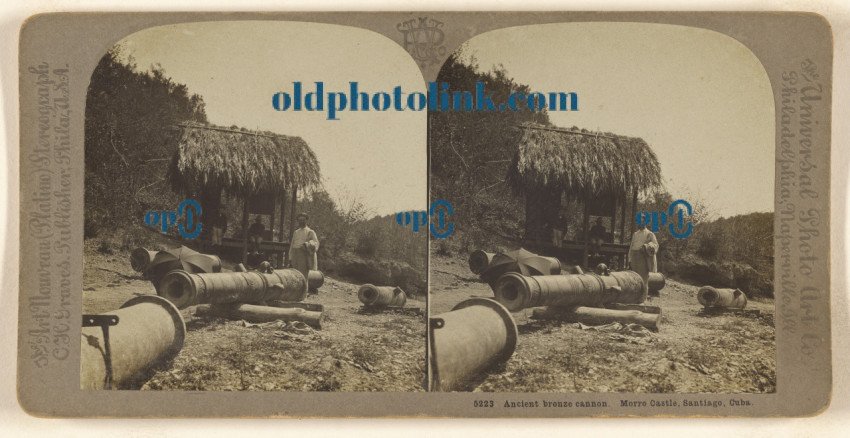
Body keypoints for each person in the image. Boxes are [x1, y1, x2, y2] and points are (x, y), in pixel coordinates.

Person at [628, 223, 659, 301]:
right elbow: (631, 246)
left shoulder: (649, 234)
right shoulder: (635, 234)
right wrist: (629, 258)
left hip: (643, 257)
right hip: (634, 256)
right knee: (634, 278)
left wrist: (647, 246)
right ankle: (634, 298)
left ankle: (642, 299)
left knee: (643, 278)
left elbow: (656, 245)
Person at [289, 212, 319, 281]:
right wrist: (290, 257)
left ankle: (304, 291)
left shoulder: (310, 232)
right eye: (300, 220)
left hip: (303, 255)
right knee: (294, 274)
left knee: (303, 275)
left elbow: (316, 244)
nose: (301, 221)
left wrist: (308, 245)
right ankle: (296, 291)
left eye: (303, 220)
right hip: (295, 254)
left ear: (306, 220)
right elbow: (292, 245)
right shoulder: (296, 232)